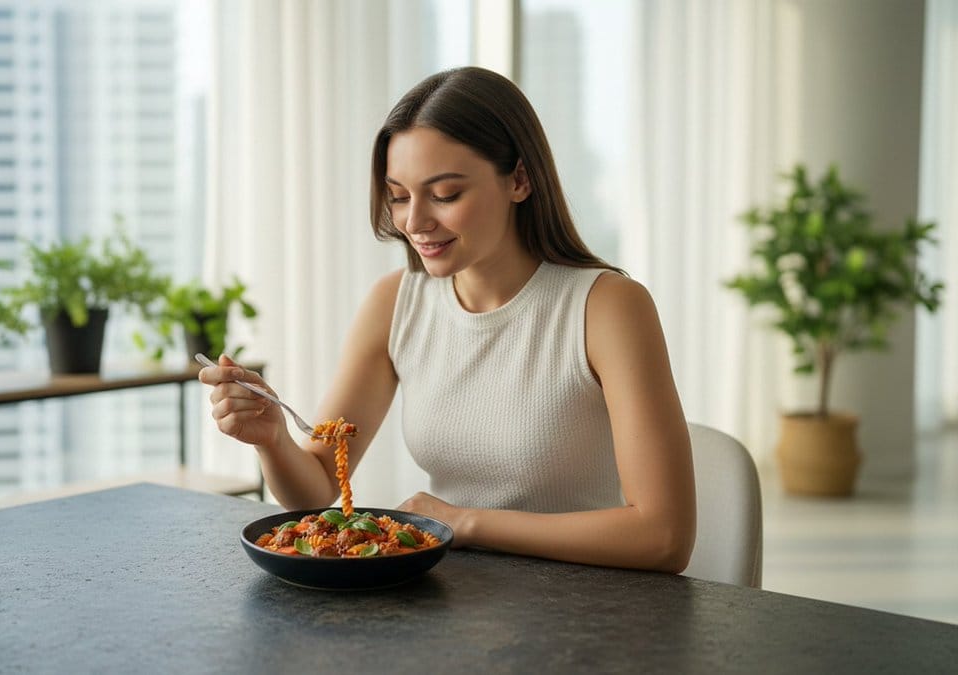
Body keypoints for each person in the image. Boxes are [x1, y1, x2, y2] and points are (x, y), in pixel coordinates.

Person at [198, 66, 696, 573]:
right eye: (399, 196)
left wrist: (465, 523)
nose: (414, 222)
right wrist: (274, 440)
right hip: (455, 595)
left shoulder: (607, 307)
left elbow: (664, 537)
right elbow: (318, 485)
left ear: (519, 180)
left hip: (587, 601)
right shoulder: (395, 303)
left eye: (445, 194)